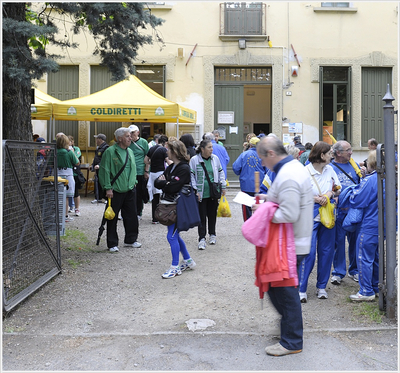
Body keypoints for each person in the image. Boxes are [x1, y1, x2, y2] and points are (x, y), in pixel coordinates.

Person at [253, 135, 313, 357]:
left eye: (262, 158)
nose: (262, 163)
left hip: (290, 244)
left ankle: (292, 341)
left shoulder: (288, 174)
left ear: (271, 153)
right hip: (290, 242)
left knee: (284, 292)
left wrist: (262, 211)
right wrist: (267, 202)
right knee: (281, 291)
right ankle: (289, 332)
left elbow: (288, 212)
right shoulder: (291, 168)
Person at [299, 141, 341, 302]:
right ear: (321, 155)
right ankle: (301, 288)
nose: (332, 155)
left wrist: (330, 194)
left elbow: (338, 188)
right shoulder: (304, 172)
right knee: (308, 253)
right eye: (330, 153)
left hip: (327, 216)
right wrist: (315, 198)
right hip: (309, 215)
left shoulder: (330, 169)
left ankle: (321, 286)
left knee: (327, 251)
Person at [154, 137, 196, 279]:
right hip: (172, 205)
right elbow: (156, 182)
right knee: (175, 235)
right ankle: (188, 260)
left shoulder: (183, 168)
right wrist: (167, 183)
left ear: (175, 152)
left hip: (179, 206)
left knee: (171, 236)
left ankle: (175, 266)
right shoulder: (172, 167)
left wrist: (166, 183)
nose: (167, 151)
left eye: (169, 149)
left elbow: (173, 186)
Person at [99, 127, 141, 253]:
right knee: (112, 217)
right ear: (120, 138)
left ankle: (131, 239)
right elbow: (104, 171)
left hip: (130, 189)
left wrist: (134, 182)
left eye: (130, 136)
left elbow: (133, 169)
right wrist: (107, 188)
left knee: (132, 215)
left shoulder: (130, 151)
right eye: (128, 136)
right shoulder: (110, 152)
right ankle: (112, 243)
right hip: (115, 190)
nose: (130, 138)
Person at [348, 150, 380, 301]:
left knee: (364, 257)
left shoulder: (371, 180)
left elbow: (357, 200)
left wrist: (351, 191)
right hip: (383, 224)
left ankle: (366, 291)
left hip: (369, 224)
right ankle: (376, 286)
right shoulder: (390, 178)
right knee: (376, 257)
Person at [330, 140, 362, 285]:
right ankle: (338, 272)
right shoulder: (330, 168)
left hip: (354, 211)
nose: (351, 152)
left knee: (355, 241)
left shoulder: (354, 166)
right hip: (338, 212)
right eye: (348, 150)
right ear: (338, 153)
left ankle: (354, 270)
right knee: (339, 242)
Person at [190, 139, 226, 250]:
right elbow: (191, 175)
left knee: (212, 214)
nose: (212, 149)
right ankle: (201, 238)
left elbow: (220, 172)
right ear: (202, 149)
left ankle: (212, 234)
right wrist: (195, 190)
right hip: (201, 193)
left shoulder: (215, 159)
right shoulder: (194, 160)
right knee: (201, 216)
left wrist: (223, 186)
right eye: (209, 147)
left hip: (213, 192)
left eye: (212, 147)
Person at [232, 136, 267, 221]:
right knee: (259, 207)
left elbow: (236, 167)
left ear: (250, 145)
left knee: (246, 209)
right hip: (260, 186)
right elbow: (268, 170)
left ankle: (248, 226)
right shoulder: (263, 155)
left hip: (246, 185)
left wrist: (242, 173)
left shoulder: (244, 154)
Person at [145, 135, 172, 224]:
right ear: (165, 143)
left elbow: (145, 160)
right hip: (160, 174)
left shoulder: (152, 148)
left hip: (152, 174)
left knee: (154, 197)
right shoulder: (164, 150)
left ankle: (154, 218)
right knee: (162, 196)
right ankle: (161, 216)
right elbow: (168, 162)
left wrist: (151, 162)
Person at [56, 134, 80, 222]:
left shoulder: (54, 151)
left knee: (57, 196)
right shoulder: (69, 152)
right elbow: (77, 162)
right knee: (66, 196)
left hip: (57, 174)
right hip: (68, 174)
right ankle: (65, 216)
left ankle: (57, 215)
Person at [128, 124, 150, 220]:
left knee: (139, 193)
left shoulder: (143, 142)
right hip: (129, 171)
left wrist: (146, 171)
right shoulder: (128, 142)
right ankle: (129, 211)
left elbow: (148, 157)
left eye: (133, 133)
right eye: (130, 133)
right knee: (128, 192)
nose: (131, 135)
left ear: (138, 132)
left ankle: (138, 212)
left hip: (140, 170)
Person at [91, 133, 109, 204]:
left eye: (97, 139)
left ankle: (106, 198)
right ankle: (98, 197)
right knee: (97, 183)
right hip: (97, 168)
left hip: (103, 168)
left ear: (100, 139)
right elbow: (96, 158)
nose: (96, 140)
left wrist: (99, 165)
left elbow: (105, 159)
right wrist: (93, 165)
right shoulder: (98, 147)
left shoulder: (106, 147)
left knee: (103, 183)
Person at [68, 135, 82, 216]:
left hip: (75, 172)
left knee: (76, 192)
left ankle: (77, 208)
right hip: (68, 172)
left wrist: (72, 151)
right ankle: (70, 207)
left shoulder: (76, 149)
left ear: (72, 142)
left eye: (69, 141)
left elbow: (77, 158)